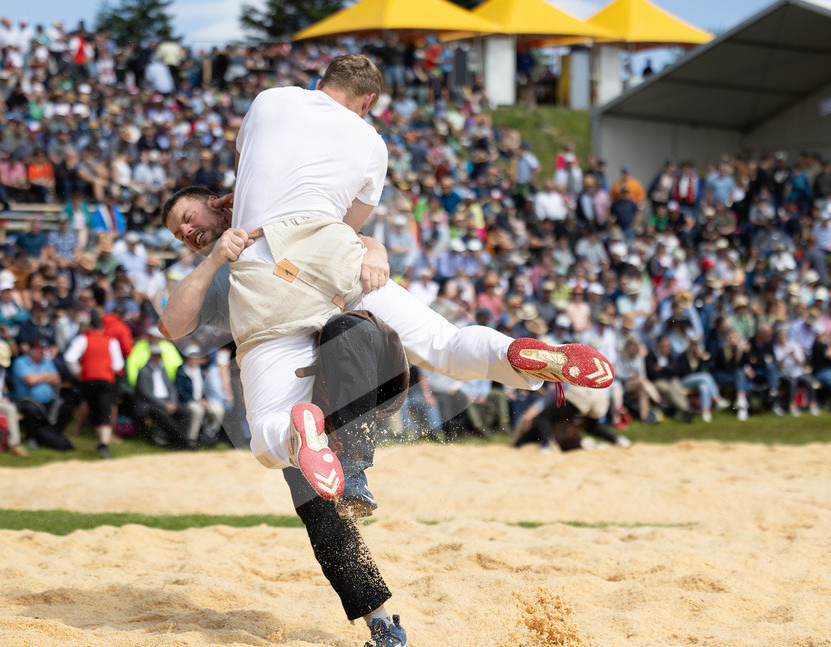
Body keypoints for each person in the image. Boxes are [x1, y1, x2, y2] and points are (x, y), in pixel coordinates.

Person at [159, 55, 613, 504]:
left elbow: (248, 166)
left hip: (267, 272)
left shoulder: (271, 100)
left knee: (265, 433)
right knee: (447, 347)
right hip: (337, 258)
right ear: (367, 101)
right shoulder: (372, 142)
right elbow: (349, 222)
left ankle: (301, 432)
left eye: (185, 219)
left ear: (321, 81)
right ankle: (514, 353)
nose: (186, 233)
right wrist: (371, 248)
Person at [62, 311, 124, 458]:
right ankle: (104, 442)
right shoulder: (111, 342)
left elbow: (69, 358)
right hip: (106, 379)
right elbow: (118, 365)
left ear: (90, 326)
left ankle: (78, 429)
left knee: (89, 405)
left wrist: (78, 372)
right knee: (104, 410)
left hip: (88, 379)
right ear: (103, 327)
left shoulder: (82, 339)